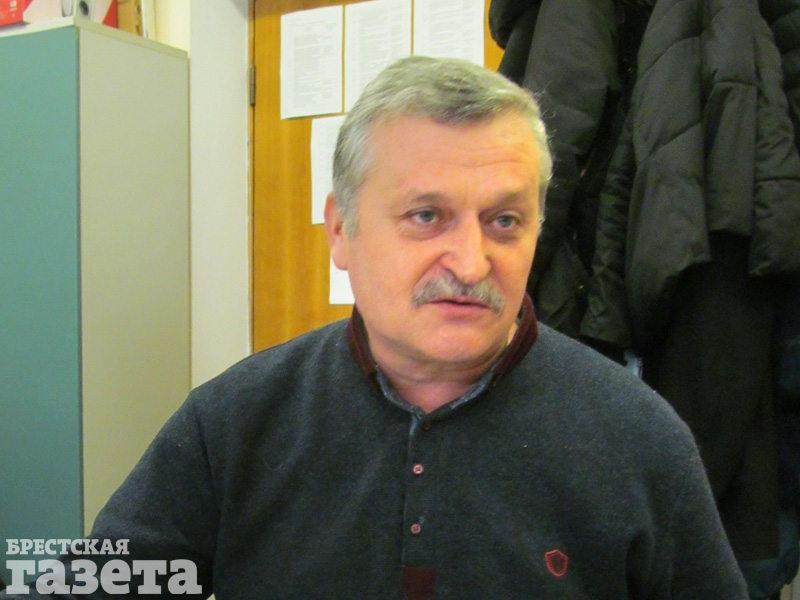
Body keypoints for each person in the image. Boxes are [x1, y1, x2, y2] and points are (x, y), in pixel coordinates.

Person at [1, 56, 747, 599]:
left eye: (504, 221)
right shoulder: (233, 423)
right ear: (341, 230)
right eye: (426, 215)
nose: (471, 261)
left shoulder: (640, 440)